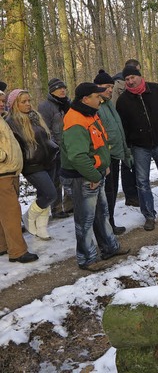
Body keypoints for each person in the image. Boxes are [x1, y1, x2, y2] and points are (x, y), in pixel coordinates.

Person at [60, 82, 129, 271]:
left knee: (101, 213)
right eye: (96, 96)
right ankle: (87, 258)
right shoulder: (75, 120)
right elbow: (78, 156)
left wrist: (103, 167)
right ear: (85, 99)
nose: (100, 99)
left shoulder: (90, 113)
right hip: (82, 177)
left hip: (94, 173)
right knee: (85, 220)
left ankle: (110, 247)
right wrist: (93, 176)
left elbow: (97, 144)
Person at [116, 65, 158, 231]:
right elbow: (123, 128)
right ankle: (149, 215)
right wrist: (128, 150)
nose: (130, 81)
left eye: (132, 77)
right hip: (139, 147)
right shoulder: (123, 100)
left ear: (140, 76)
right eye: (127, 79)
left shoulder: (156, 90)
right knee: (142, 181)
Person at [6, 89, 58, 240]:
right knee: (50, 194)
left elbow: (46, 137)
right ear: (15, 104)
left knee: (44, 195)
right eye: (24, 102)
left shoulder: (35, 116)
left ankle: (42, 227)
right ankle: (28, 216)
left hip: (49, 160)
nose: (28, 104)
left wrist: (54, 148)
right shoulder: (11, 122)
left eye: (29, 100)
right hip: (32, 165)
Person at [94, 69, 132, 235]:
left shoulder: (109, 104)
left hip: (115, 156)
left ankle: (110, 222)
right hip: (104, 159)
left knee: (112, 192)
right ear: (97, 87)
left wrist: (126, 152)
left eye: (111, 86)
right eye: (106, 86)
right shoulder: (95, 107)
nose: (110, 89)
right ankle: (105, 226)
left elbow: (118, 129)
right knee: (105, 194)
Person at [0, 114, 39, 263]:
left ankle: (3, 245)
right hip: (3, 173)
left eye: (3, 101)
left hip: (8, 172)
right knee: (11, 214)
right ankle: (18, 251)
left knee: (4, 213)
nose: (2, 104)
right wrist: (3, 155)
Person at [38, 78, 74, 219]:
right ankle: (57, 208)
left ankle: (70, 204)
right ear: (52, 91)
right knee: (56, 180)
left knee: (70, 177)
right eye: (59, 88)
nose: (62, 90)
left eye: (64, 88)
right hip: (55, 149)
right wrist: (54, 147)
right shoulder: (45, 106)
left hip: (70, 147)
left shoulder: (68, 104)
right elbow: (44, 129)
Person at [111, 59, 140, 207]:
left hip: (136, 130)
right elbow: (116, 108)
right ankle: (130, 195)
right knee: (128, 164)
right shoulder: (118, 87)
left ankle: (136, 192)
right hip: (124, 129)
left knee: (135, 163)